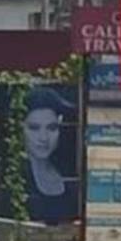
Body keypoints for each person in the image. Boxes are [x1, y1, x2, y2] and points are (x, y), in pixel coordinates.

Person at [19, 86, 77, 222]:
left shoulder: (70, 172)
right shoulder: (10, 178)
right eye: (34, 128)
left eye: (52, 128)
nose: (44, 138)